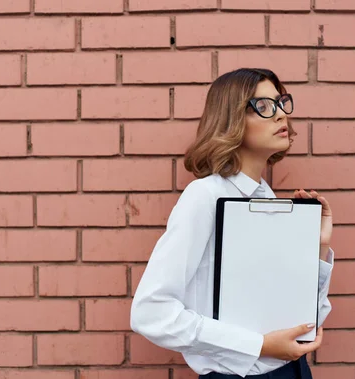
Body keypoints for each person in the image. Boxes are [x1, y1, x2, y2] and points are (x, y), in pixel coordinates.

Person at [130, 68, 335, 379]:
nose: (281, 116)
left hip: (294, 370)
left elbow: (303, 321)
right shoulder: (205, 196)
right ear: (232, 119)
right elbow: (150, 313)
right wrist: (257, 345)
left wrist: (318, 250)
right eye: (264, 106)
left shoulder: (268, 200)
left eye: (280, 103)